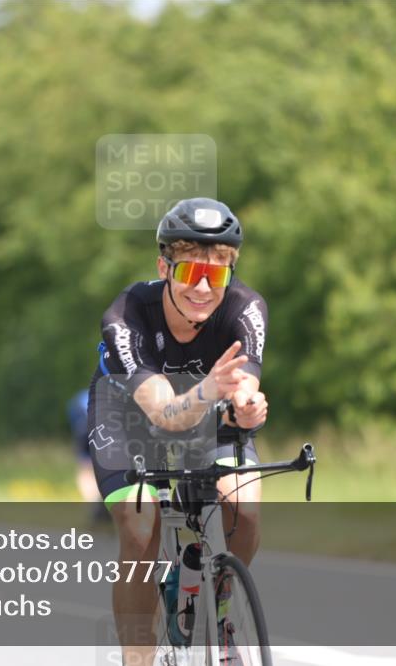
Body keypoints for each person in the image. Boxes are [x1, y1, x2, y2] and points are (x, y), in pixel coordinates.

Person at [87, 198, 268, 665]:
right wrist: (209, 389)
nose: (203, 289)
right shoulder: (126, 315)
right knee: (140, 526)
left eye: (217, 276)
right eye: (190, 273)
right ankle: (138, 658)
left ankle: (222, 608)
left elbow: (245, 383)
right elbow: (166, 414)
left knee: (244, 510)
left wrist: (247, 406)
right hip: (128, 418)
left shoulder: (245, 308)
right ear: (164, 268)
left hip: (208, 413)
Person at [66, 388, 108, 521]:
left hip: (84, 430)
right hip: (107, 430)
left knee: (85, 468)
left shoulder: (78, 398)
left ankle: (94, 503)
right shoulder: (112, 393)